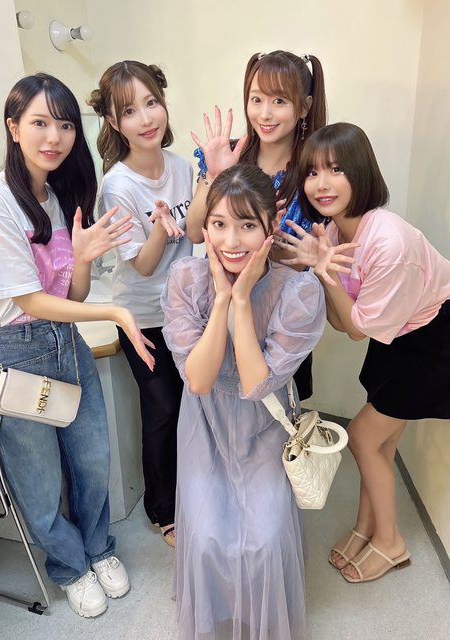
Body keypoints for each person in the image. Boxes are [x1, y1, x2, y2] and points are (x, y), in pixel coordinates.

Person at [0, 73, 156, 618]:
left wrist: (85, 257)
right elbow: (29, 300)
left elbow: (68, 295)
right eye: (39, 123)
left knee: (92, 457)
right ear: (13, 127)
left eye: (66, 125)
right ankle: (70, 566)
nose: (54, 137)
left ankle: (98, 548)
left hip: (63, 341)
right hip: (12, 350)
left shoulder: (54, 197)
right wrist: (114, 311)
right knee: (39, 478)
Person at [278, 122, 450, 583]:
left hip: (435, 339)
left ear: (361, 171)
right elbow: (344, 319)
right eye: (312, 172)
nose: (322, 183)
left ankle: (391, 543)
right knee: (382, 442)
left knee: (362, 436)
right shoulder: (336, 232)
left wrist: (323, 272)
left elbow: (353, 328)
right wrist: (320, 268)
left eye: (336, 169)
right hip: (400, 333)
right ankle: (366, 527)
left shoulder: (388, 243)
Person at [161, 164, 326, 639]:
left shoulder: (298, 291)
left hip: (265, 428)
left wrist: (242, 300)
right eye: (218, 224)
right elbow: (199, 380)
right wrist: (220, 299)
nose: (231, 241)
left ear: (270, 227)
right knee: (207, 538)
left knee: (264, 541)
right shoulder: (186, 278)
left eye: (247, 225)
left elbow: (256, 385)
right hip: (205, 424)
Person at [88, 60, 193, 547]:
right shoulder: (118, 185)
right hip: (142, 318)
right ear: (113, 121)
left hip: (187, 311)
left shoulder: (182, 167)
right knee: (163, 409)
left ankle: (194, 492)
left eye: (152, 103)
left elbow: (195, 235)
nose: (146, 118)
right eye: (130, 111)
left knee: (194, 404)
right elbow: (145, 266)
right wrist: (157, 228)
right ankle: (163, 510)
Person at [187, 49, 327, 401]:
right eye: (256, 99)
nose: (265, 113)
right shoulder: (229, 154)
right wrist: (215, 176)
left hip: (279, 321)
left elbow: (308, 261)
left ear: (304, 107)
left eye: (279, 101)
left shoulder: (314, 176)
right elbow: (193, 231)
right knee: (214, 397)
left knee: (276, 409)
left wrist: (272, 245)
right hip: (219, 309)